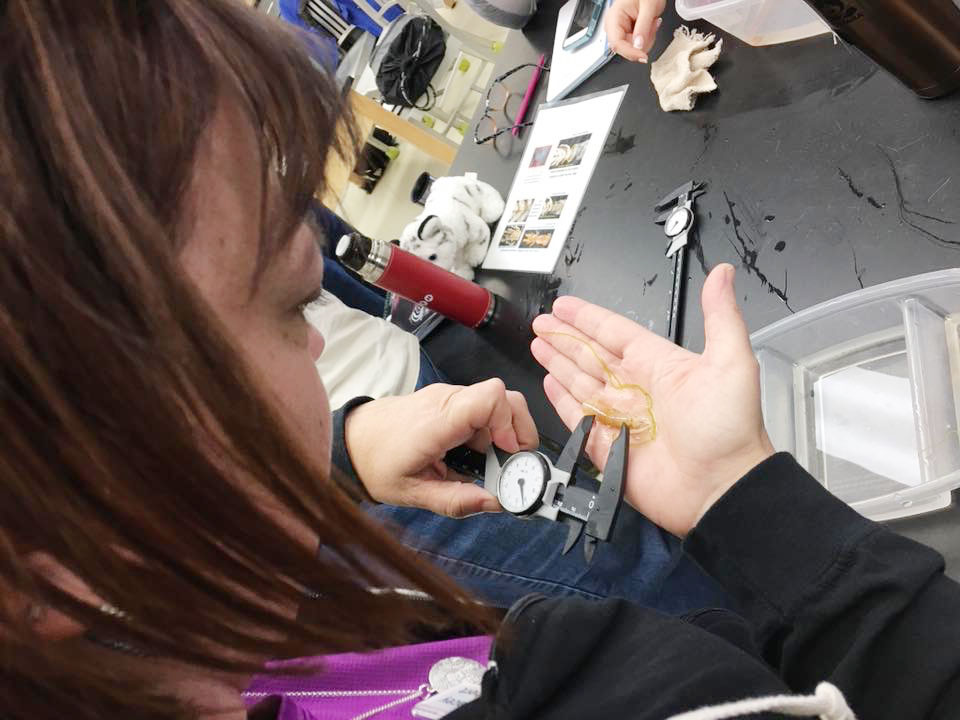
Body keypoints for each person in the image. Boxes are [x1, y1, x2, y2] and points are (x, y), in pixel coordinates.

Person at [3, 3, 959, 720]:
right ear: (54, 572)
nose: (319, 339)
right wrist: (762, 520)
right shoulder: (608, 683)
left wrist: (344, 451)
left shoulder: (170, 611)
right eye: (291, 303)